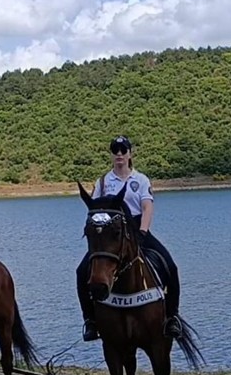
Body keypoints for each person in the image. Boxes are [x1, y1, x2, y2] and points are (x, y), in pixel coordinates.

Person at [77, 135, 183, 341]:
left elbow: (147, 207)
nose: (119, 154)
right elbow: (95, 210)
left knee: (171, 267)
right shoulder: (103, 182)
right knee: (81, 271)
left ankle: (172, 317)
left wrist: (143, 232)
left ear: (130, 154)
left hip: (137, 229)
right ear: (111, 155)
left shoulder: (141, 180)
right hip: (111, 236)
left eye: (123, 150)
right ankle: (90, 321)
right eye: (115, 151)